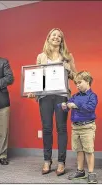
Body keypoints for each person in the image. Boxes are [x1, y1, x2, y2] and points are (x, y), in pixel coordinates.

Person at [27, 28, 77, 176]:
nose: (56, 38)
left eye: (59, 36)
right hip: (45, 97)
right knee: (47, 129)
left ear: (62, 40)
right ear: (48, 38)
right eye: (53, 35)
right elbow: (36, 78)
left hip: (61, 96)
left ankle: (61, 162)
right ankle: (47, 161)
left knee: (61, 129)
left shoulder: (68, 56)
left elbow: (75, 76)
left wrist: (68, 68)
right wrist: (31, 90)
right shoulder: (41, 56)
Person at [60, 71, 98, 184]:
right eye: (76, 83)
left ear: (87, 81)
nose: (77, 85)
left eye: (79, 82)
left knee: (89, 150)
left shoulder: (92, 96)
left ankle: (91, 173)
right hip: (75, 128)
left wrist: (76, 105)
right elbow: (68, 106)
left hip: (87, 127)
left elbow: (90, 107)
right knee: (79, 150)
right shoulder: (75, 96)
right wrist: (64, 106)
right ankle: (80, 171)